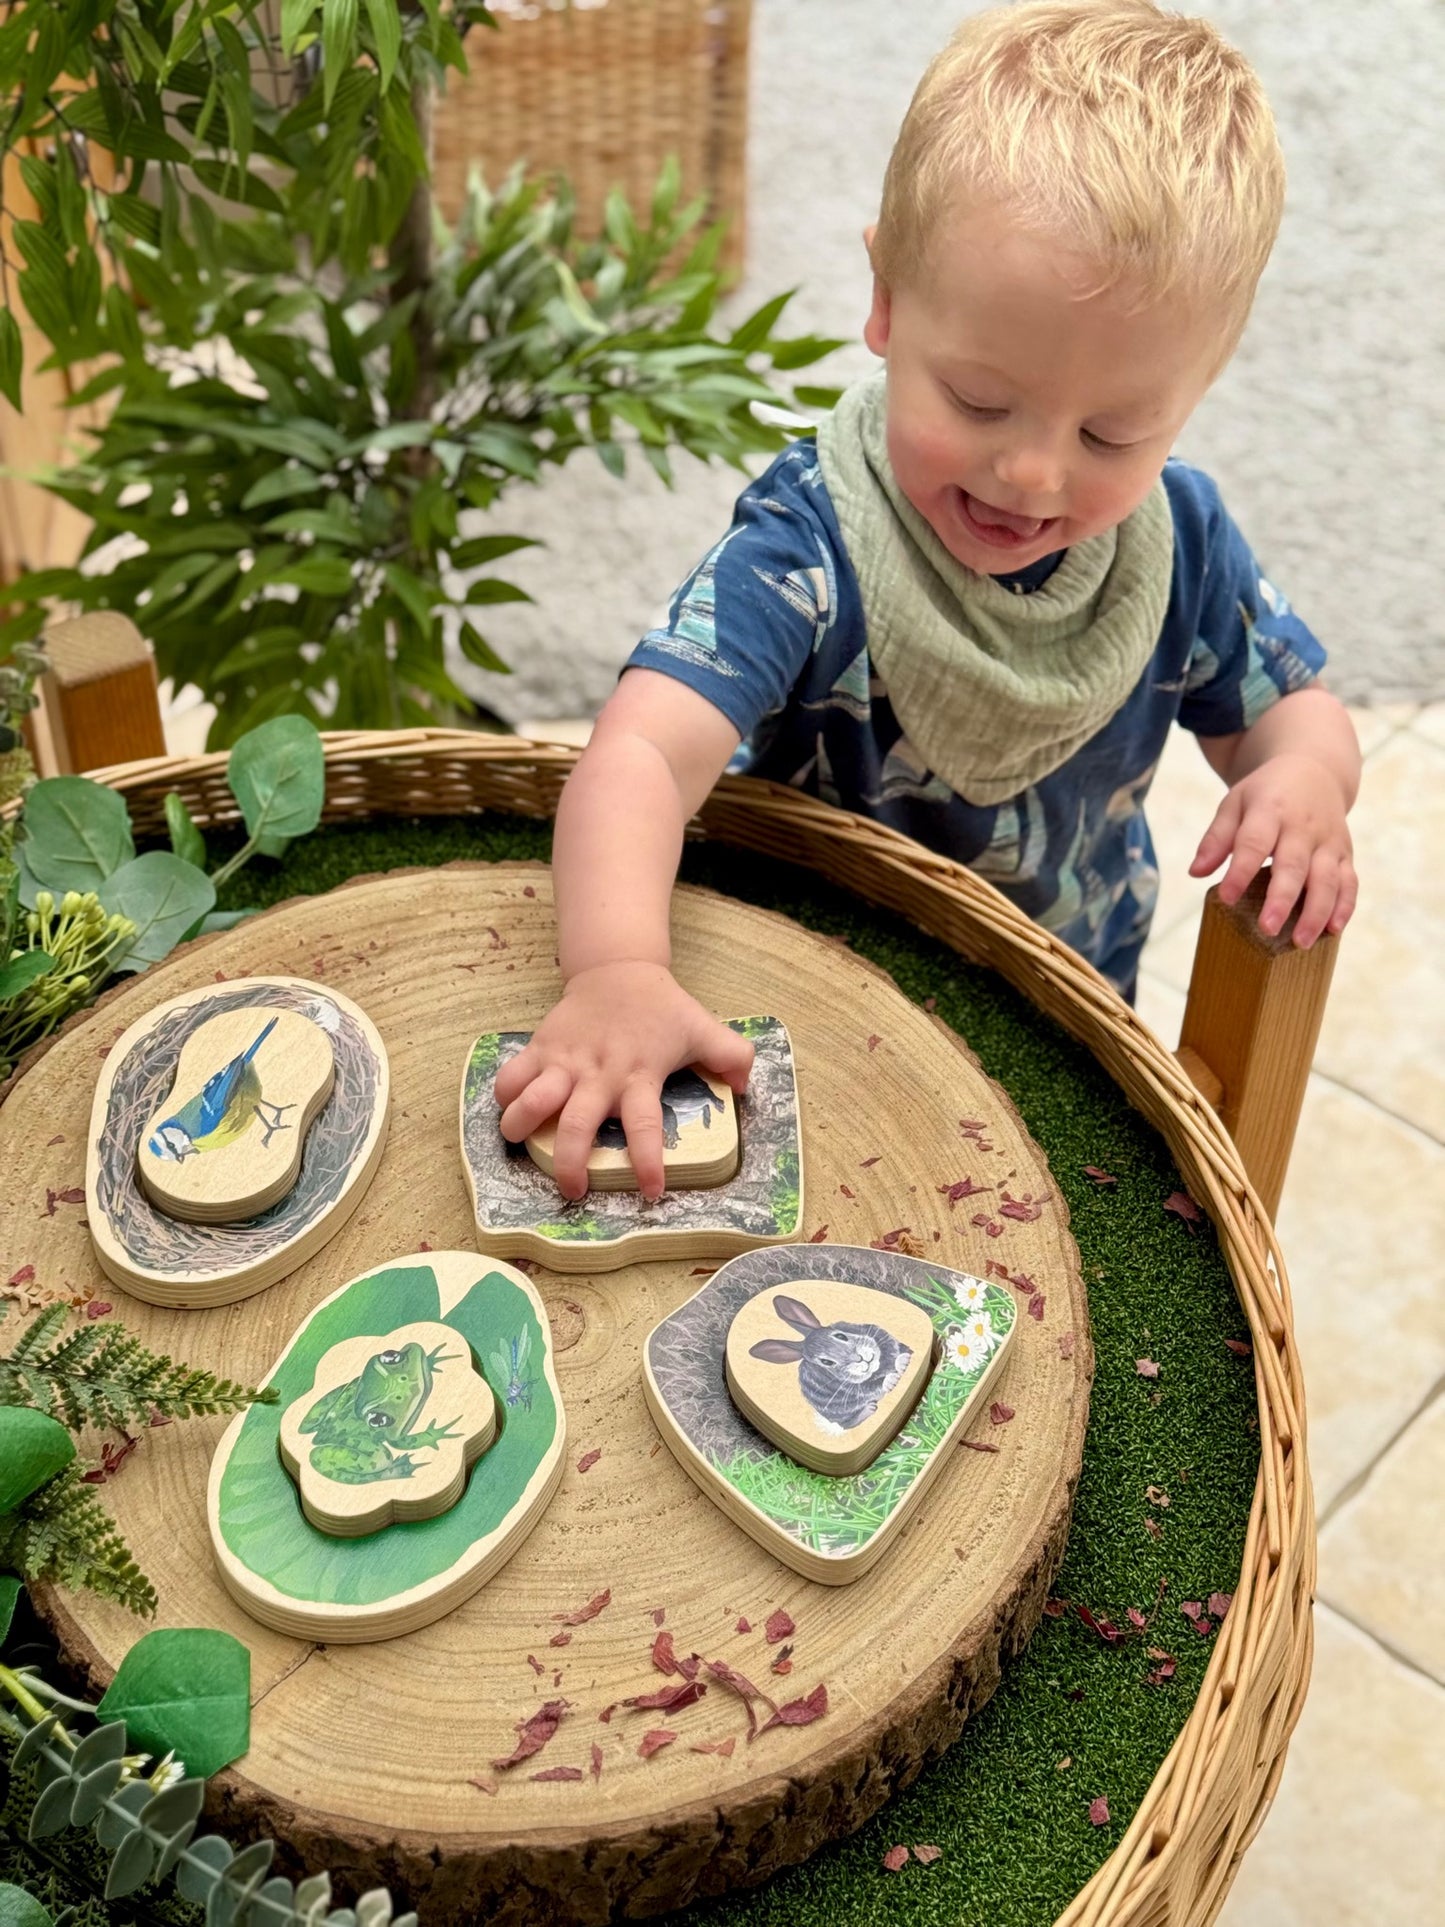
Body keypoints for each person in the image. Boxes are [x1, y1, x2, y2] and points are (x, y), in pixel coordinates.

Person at [496, 0, 1360, 1202]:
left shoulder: (1182, 540)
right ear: (887, 306)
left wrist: (1302, 778)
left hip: (1057, 1019)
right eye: (977, 402)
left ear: (1196, 391)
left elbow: (1293, 711)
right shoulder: (811, 540)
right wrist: (616, 970)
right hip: (801, 1015)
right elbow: (639, 752)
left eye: (1112, 432)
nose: (1032, 474)